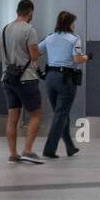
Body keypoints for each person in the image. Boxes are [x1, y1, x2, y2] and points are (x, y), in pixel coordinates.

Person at [38, 11, 90, 159]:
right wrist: (88, 57)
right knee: (61, 114)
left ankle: (70, 146)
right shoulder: (74, 39)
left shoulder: (50, 37)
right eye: (73, 22)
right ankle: (49, 149)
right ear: (69, 24)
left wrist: (37, 70)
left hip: (50, 78)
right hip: (65, 79)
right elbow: (78, 59)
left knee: (60, 113)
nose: (74, 25)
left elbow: (36, 52)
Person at [0, 0, 45, 164]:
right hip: (26, 79)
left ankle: (13, 153)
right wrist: (35, 55)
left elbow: (1, 55)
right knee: (35, 114)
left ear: (17, 11)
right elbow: (33, 56)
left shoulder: (4, 30)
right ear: (30, 12)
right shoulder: (29, 30)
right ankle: (28, 150)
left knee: (13, 117)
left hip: (8, 78)